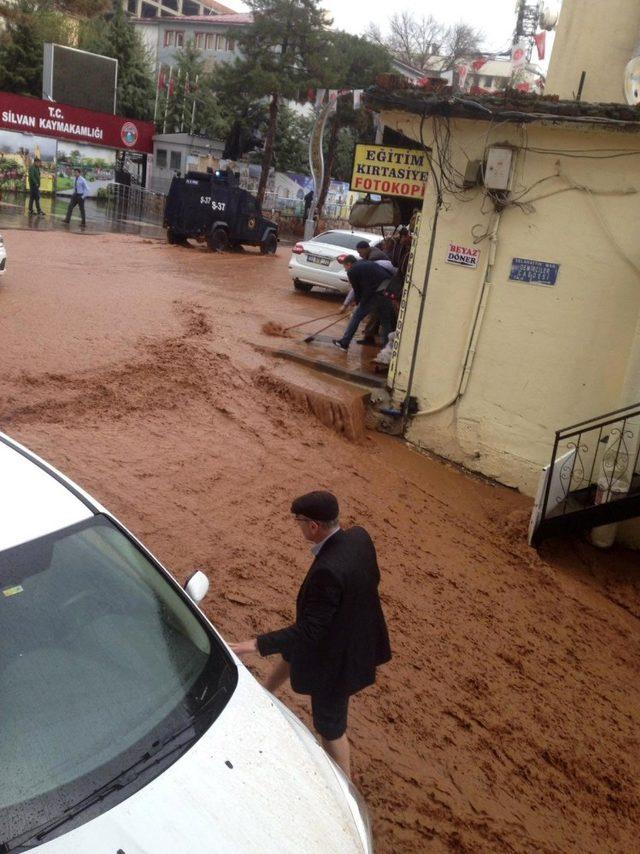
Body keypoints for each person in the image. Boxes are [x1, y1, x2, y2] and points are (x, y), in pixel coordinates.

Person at [230, 491, 391, 778]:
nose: (298, 527)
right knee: (295, 651)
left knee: (330, 725)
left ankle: (346, 783)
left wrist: (251, 645)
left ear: (314, 526)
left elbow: (309, 631)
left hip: (338, 659)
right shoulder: (359, 537)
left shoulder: (327, 571)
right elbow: (372, 579)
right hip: (357, 632)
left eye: (299, 522)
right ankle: (266, 692)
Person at [333, 255, 396, 352]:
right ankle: (387, 349)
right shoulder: (364, 263)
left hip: (374, 294)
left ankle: (344, 343)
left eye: (344, 267)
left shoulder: (352, 271)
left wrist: (358, 303)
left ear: (349, 264)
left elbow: (357, 289)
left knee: (356, 317)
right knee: (385, 321)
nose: (345, 270)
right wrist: (355, 302)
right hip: (387, 291)